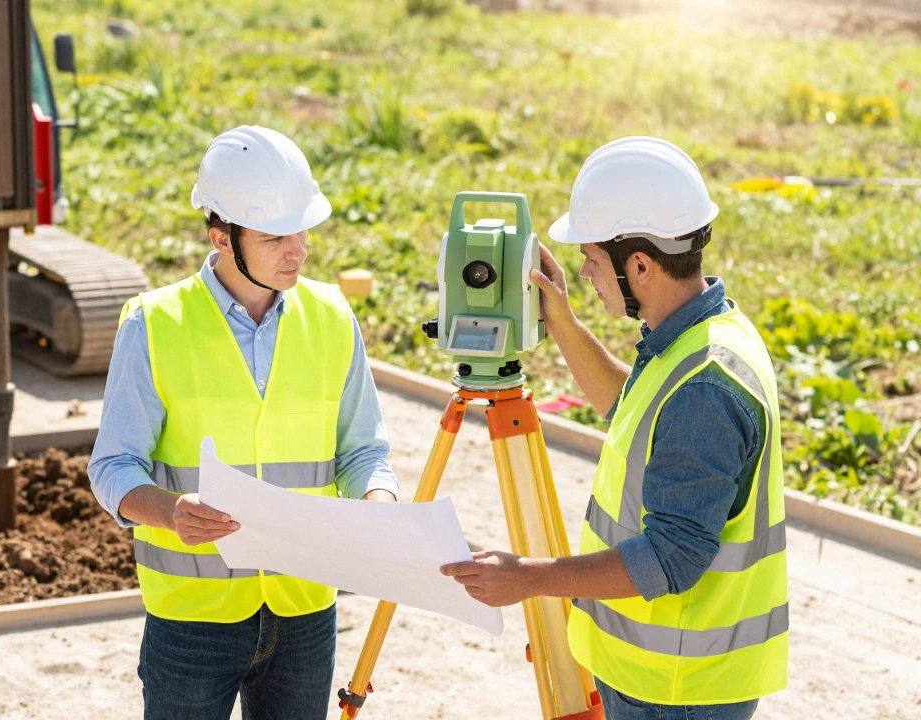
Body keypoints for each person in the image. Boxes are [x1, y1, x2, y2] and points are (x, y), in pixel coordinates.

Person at [440, 137, 787, 719]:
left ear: (641, 266)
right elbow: (639, 410)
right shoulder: (703, 336)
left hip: (674, 688)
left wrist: (527, 578)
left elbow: (671, 558)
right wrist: (565, 324)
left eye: (593, 260)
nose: (584, 271)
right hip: (665, 674)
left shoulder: (703, 387)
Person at [88, 125, 400, 720]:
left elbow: (363, 450)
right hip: (191, 622)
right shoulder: (155, 324)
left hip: (305, 611)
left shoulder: (333, 317)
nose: (297, 250)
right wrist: (170, 512)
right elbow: (112, 466)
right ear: (221, 238)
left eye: (301, 230)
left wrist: (378, 500)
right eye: (275, 236)